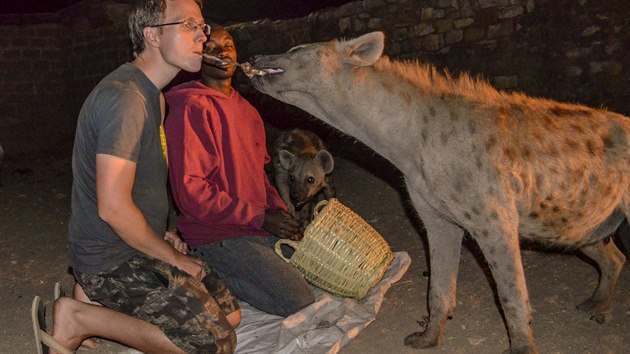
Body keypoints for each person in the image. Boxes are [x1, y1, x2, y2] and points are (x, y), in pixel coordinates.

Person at [31, 1, 240, 353]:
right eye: (188, 25)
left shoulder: (154, 98)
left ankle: (93, 303)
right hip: (110, 260)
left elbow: (147, 182)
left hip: (136, 245)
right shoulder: (125, 100)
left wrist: (164, 234)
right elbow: (113, 208)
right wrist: (172, 259)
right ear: (152, 35)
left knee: (229, 316)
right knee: (213, 344)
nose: (202, 37)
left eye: (201, 27)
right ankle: (78, 317)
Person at [164, 25, 316, 317]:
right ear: (198, 57)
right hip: (217, 233)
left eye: (228, 46)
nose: (222, 52)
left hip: (253, 225)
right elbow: (191, 193)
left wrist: (280, 213)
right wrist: (260, 217)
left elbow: (259, 176)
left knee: (311, 272)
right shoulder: (191, 108)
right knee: (298, 300)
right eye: (211, 47)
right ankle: (204, 272)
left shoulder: (247, 111)